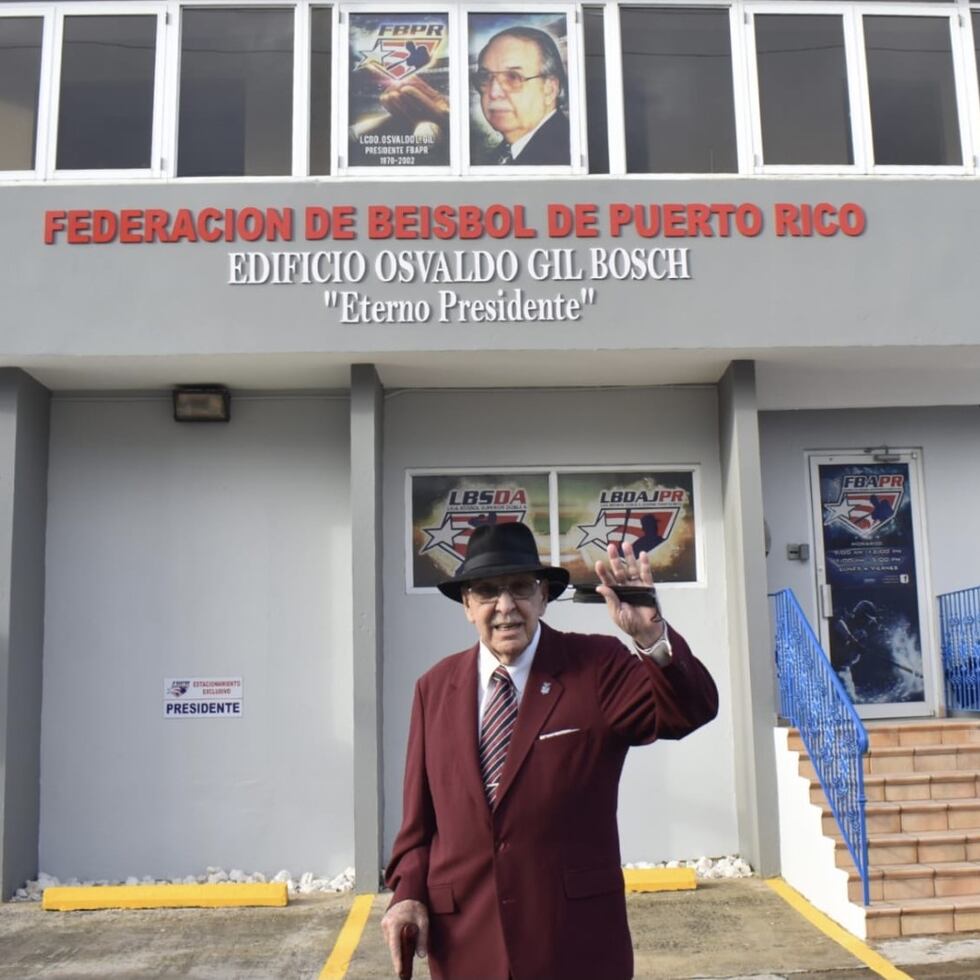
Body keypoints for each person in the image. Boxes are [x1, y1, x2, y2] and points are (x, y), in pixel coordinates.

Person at [381, 521, 717, 979]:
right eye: (486, 592)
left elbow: (689, 711)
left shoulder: (597, 667)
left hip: (574, 945)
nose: (505, 607)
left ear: (543, 597)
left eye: (520, 588)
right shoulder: (433, 688)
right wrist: (407, 896)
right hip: (466, 948)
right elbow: (418, 828)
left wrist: (650, 638)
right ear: (466, 605)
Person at [472, 27, 571, 165]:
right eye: (485, 77)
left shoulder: (566, 156)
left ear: (550, 89)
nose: (494, 93)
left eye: (513, 77)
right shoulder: (502, 154)